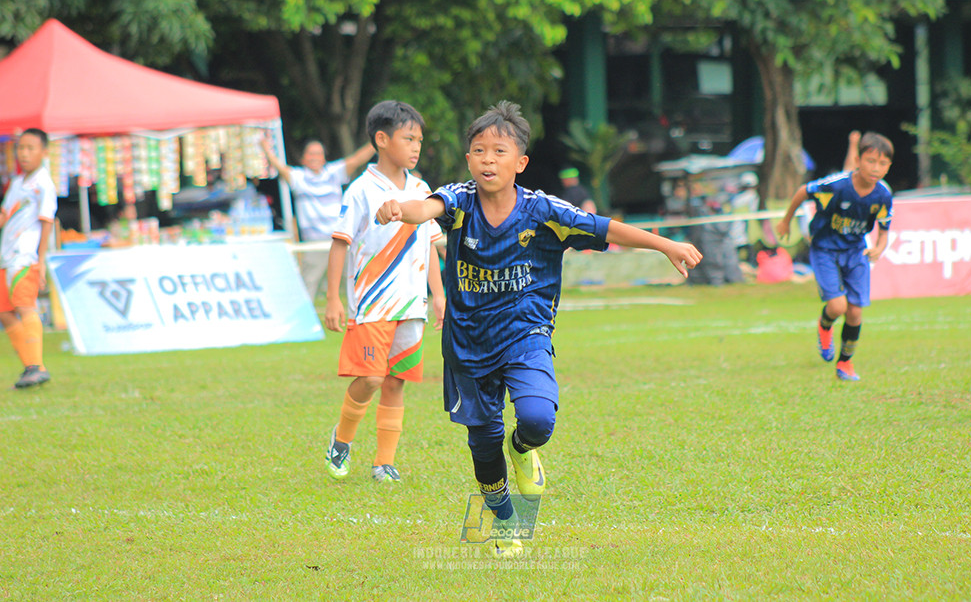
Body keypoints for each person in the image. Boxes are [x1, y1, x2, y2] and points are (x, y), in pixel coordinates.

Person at [375, 101, 702, 556]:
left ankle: (523, 446)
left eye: (499, 151)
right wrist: (399, 208)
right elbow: (423, 208)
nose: (488, 159)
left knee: (536, 419)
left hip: (525, 335)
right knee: (482, 441)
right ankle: (505, 520)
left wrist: (666, 245)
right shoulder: (458, 201)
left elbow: (605, 228)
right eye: (479, 151)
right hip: (467, 343)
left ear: (521, 162)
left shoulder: (544, 210)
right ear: (468, 159)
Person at [323, 100, 446, 484]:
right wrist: (333, 298)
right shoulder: (361, 190)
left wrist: (438, 294)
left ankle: (384, 463)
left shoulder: (422, 189)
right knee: (372, 378)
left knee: (396, 382)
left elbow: (429, 243)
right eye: (408, 138)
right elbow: (340, 243)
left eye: (419, 140)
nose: (416, 147)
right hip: (372, 302)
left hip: (412, 303)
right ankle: (341, 441)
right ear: (381, 139)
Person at [775, 131, 894, 383]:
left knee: (855, 313)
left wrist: (880, 248)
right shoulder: (837, 185)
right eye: (871, 161)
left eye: (882, 163)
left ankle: (845, 363)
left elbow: (884, 230)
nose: (876, 168)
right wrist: (786, 222)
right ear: (858, 160)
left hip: (856, 251)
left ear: (889, 166)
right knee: (837, 307)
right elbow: (802, 191)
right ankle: (825, 324)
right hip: (825, 249)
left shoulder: (883, 194)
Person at [263, 137, 375, 301]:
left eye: (318, 153)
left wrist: (376, 142)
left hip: (340, 240)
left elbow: (357, 159)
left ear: (324, 158)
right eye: (311, 154)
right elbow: (280, 167)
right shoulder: (299, 177)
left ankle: (359, 320)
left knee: (353, 282)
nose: (315, 157)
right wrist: (266, 149)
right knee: (308, 285)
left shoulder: (333, 172)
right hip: (314, 243)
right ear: (303, 158)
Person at [1, 128, 58, 389]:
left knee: (25, 307)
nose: (23, 153)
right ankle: (31, 367)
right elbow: (5, 215)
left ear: (44, 152)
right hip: (5, 255)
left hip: (25, 257)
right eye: (20, 148)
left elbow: (47, 222)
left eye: (30, 148)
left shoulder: (44, 184)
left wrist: (41, 258)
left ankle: (35, 366)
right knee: (5, 312)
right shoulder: (16, 183)